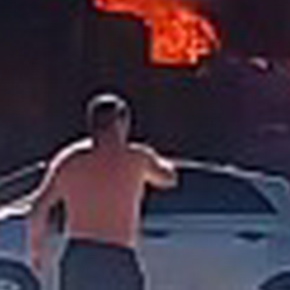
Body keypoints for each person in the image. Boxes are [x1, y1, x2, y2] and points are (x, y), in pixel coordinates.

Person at [28, 93, 178, 290]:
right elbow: (169, 179)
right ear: (121, 123)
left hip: (79, 255)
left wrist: (36, 250)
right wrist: (164, 161)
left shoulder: (71, 160)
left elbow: (39, 206)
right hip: (118, 255)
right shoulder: (136, 158)